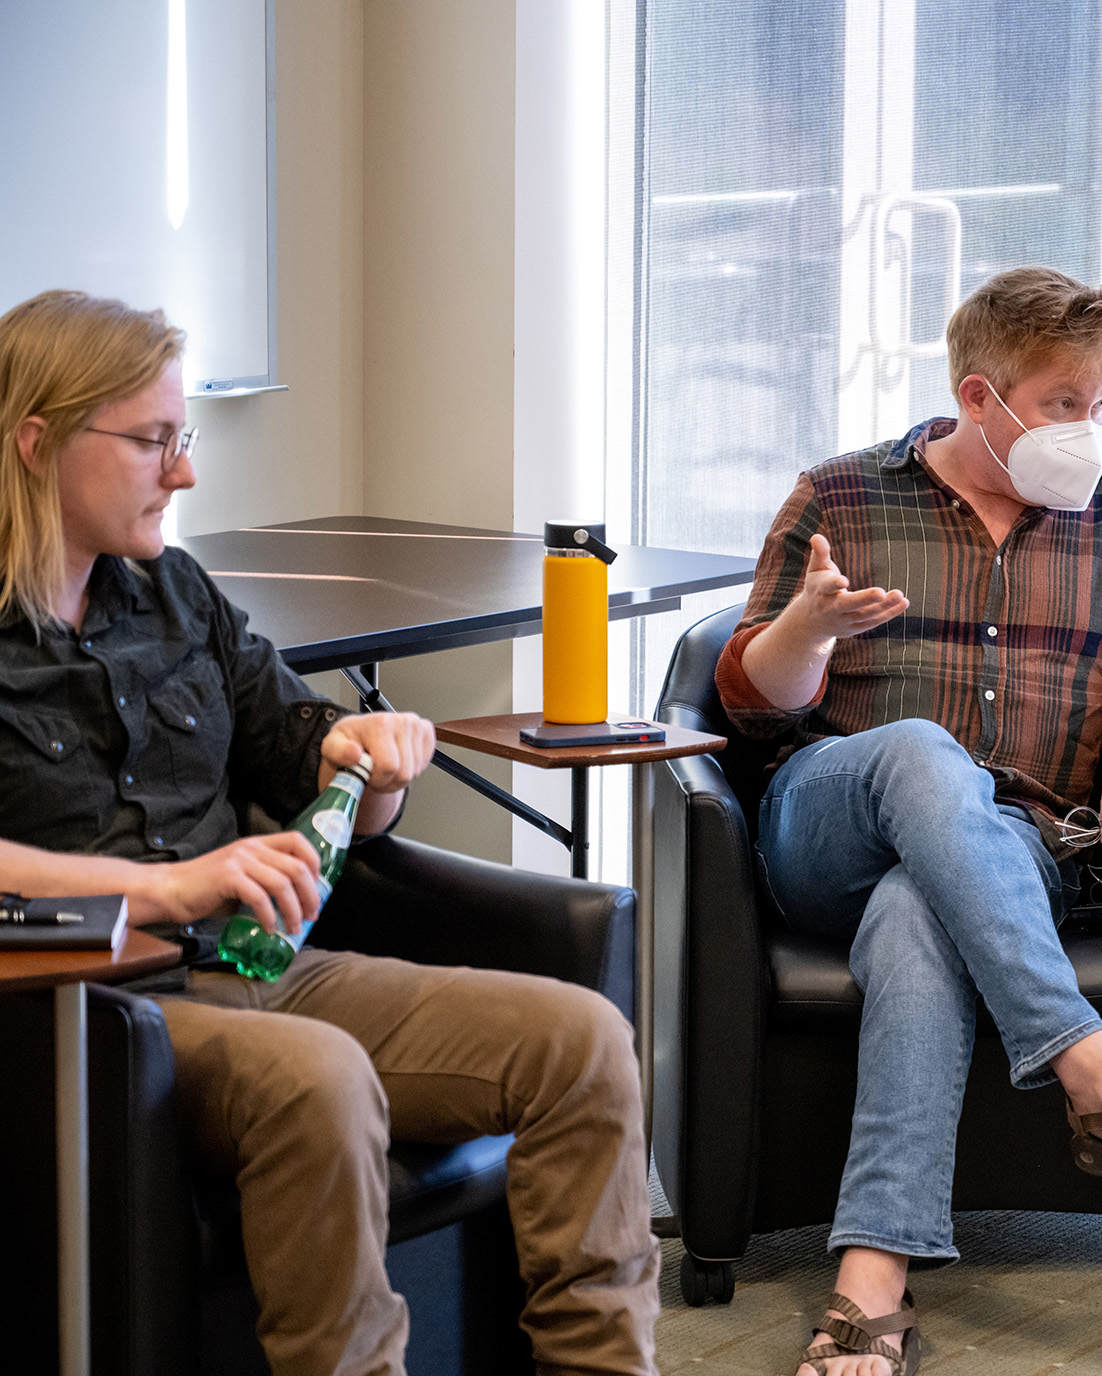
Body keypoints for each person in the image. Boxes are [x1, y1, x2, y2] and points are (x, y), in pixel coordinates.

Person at [0, 290, 660, 1376]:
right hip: (92, 1009)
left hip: (265, 970)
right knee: (320, 1075)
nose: (185, 470)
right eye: (153, 440)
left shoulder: (174, 592)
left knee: (580, 1040)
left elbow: (297, 745)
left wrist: (371, 760)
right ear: (38, 441)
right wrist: (168, 886)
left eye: (184, 435)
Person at [716, 266, 1102, 1376]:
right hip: (827, 814)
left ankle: (870, 1287)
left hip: (1013, 848)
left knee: (923, 907)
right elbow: (744, 694)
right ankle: (1090, 1064)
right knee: (922, 750)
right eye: (1065, 404)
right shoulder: (842, 496)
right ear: (983, 396)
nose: (1088, 429)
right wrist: (809, 632)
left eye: (1099, 404)